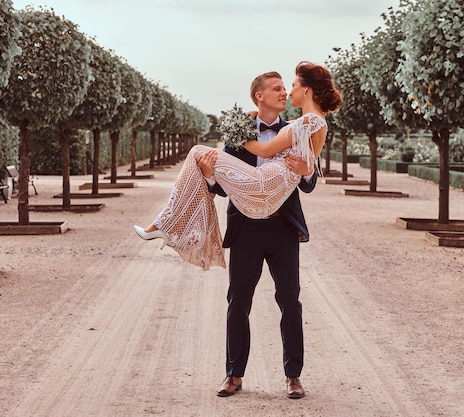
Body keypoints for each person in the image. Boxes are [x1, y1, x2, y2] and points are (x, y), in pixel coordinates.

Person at [133, 62, 342, 397]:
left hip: (283, 227)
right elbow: (220, 185)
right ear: (259, 96)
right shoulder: (240, 132)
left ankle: (293, 376)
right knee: (238, 301)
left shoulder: (299, 125)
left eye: (287, 87)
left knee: (290, 300)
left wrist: (305, 170)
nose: (285, 92)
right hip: (246, 226)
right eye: (277, 88)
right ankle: (234, 375)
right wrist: (210, 173)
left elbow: (309, 183)